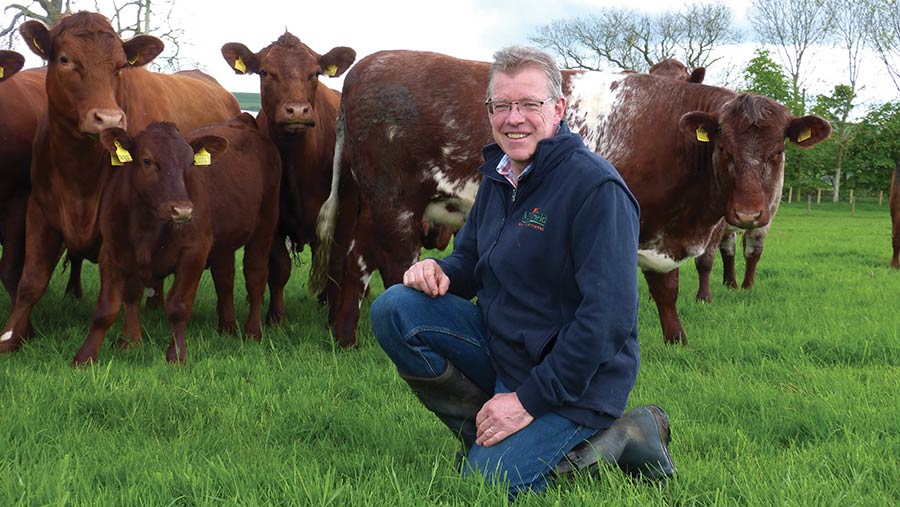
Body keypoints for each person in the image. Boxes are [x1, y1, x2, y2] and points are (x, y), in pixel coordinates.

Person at [370, 45, 676, 499]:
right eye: (502, 105)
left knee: (487, 484)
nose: (515, 118)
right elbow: (471, 262)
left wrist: (528, 402)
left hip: (576, 381)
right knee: (396, 307)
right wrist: (440, 270)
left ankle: (625, 434)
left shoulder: (596, 189)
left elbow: (607, 319)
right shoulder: (500, 174)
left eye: (530, 104)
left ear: (558, 108)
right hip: (506, 351)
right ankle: (486, 431)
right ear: (489, 110)